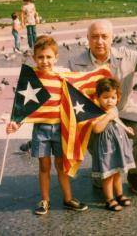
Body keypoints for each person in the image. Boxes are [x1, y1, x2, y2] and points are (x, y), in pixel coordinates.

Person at [69, 19, 137, 194]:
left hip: (123, 109)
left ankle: (134, 174)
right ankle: (103, 170)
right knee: (97, 134)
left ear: (112, 38)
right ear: (87, 38)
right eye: (94, 37)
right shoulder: (75, 63)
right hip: (95, 114)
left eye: (104, 36)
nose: (99, 41)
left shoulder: (128, 56)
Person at [6, 35, 88, 215]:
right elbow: (23, 108)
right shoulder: (31, 79)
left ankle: (68, 198)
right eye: (41, 57)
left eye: (49, 57)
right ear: (34, 58)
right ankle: (45, 200)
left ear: (56, 58)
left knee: (61, 165)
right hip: (41, 129)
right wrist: (15, 124)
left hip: (60, 129)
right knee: (44, 166)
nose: (45, 61)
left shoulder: (61, 78)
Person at [92, 77, 135, 211]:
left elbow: (117, 121)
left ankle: (120, 194)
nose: (110, 101)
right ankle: (109, 199)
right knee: (108, 174)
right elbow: (97, 129)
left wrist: (127, 128)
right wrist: (107, 117)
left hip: (118, 145)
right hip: (106, 148)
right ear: (98, 98)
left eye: (113, 97)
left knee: (118, 172)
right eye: (105, 97)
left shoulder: (114, 109)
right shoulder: (97, 112)